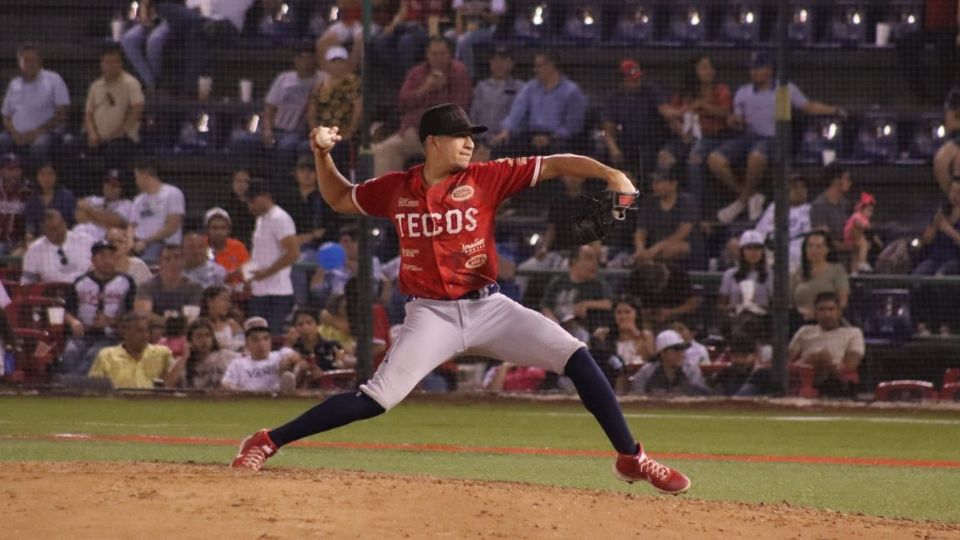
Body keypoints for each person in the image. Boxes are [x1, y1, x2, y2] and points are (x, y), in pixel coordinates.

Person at [231, 103, 691, 496]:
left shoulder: (487, 178)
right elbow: (339, 198)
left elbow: (554, 163)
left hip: (490, 307)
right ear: (432, 141)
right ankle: (267, 440)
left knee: (577, 356)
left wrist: (611, 173)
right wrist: (320, 154)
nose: (469, 144)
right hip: (431, 314)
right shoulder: (397, 188)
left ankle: (632, 458)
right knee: (376, 399)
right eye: (459, 136)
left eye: (471, 136)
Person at [708, 51, 845, 224]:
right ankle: (748, 195)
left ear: (769, 69)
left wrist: (834, 110)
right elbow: (737, 119)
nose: (754, 72)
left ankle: (741, 202)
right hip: (748, 136)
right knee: (715, 159)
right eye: (752, 69)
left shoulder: (784, 89)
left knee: (756, 156)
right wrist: (733, 120)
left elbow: (808, 106)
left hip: (773, 139)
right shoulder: (744, 92)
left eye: (758, 68)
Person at [373, 36, 471, 176]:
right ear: (427, 55)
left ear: (450, 54)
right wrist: (425, 89)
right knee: (384, 149)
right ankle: (389, 196)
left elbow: (460, 108)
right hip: (414, 133)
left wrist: (441, 90)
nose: (438, 58)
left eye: (442, 54)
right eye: (434, 54)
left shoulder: (458, 72)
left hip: (445, 136)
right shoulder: (417, 73)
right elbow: (402, 103)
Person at [231, 45, 322, 163]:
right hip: (275, 130)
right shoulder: (284, 78)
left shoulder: (321, 78)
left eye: (309, 58)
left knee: (287, 146)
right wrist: (267, 130)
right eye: (301, 57)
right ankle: (244, 177)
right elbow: (269, 108)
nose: (305, 62)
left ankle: (279, 180)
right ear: (296, 60)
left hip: (298, 133)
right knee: (238, 139)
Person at [61, 241, 137, 375]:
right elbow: (68, 310)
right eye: (102, 256)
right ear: (93, 260)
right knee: (70, 353)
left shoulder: (126, 282)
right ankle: (74, 387)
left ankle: (71, 387)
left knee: (94, 355)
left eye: (111, 256)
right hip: (83, 335)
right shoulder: (80, 282)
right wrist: (73, 322)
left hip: (112, 336)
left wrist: (110, 321)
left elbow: (132, 316)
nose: (108, 260)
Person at [491, 51, 587, 157]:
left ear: (551, 65)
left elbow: (573, 126)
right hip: (530, 135)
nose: (535, 70)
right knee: (501, 148)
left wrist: (551, 139)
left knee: (558, 150)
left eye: (538, 66)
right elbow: (517, 111)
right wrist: (506, 131)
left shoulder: (571, 91)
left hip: (558, 138)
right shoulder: (530, 87)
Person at [600, 59, 673, 176]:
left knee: (647, 158)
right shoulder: (614, 98)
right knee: (606, 155)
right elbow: (608, 130)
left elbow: (666, 112)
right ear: (622, 80)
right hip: (627, 142)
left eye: (638, 78)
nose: (636, 82)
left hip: (651, 141)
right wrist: (613, 148)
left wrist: (684, 110)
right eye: (632, 79)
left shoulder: (651, 91)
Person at [0, 44, 69, 164]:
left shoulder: (54, 79)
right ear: (19, 63)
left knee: (39, 147)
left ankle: (34, 182)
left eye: (34, 60)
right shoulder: (14, 84)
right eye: (26, 60)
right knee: (2, 141)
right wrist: (14, 133)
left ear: (40, 62)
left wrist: (37, 132)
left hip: (46, 133)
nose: (30, 64)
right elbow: (6, 116)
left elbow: (62, 114)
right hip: (17, 135)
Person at [246, 179, 299, 335]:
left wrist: (266, 273)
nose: (250, 206)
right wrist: (246, 276)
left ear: (265, 196)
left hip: (277, 293)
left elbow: (293, 253)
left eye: (253, 201)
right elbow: (260, 254)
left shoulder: (280, 218)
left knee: (272, 337)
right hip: (259, 291)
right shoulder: (260, 220)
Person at [83, 45, 145, 178]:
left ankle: (114, 192)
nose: (111, 66)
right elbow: (88, 113)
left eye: (115, 62)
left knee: (114, 150)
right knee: (70, 147)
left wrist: (120, 132)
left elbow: (137, 108)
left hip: (123, 138)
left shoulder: (131, 83)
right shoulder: (95, 86)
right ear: (102, 64)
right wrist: (93, 134)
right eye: (107, 62)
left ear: (121, 63)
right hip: (97, 138)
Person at [681, 55, 732, 212]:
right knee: (667, 156)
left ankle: (696, 210)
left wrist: (704, 105)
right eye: (704, 68)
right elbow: (680, 115)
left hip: (717, 137)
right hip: (691, 138)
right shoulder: (689, 93)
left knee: (694, 159)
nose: (709, 71)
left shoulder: (721, 90)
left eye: (710, 67)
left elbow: (726, 113)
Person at [789, 291, 863, 397]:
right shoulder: (805, 331)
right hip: (803, 373)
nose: (827, 314)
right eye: (822, 310)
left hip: (834, 377)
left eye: (831, 309)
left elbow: (851, 364)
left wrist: (825, 362)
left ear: (839, 312)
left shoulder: (853, 333)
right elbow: (787, 359)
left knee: (824, 358)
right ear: (815, 313)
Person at [87, 312, 178, 389]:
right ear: (125, 332)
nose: (145, 336)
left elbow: (176, 380)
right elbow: (93, 388)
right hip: (118, 405)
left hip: (151, 405)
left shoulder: (162, 353)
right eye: (139, 331)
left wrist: (185, 356)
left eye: (147, 331)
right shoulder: (106, 355)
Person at [305, 46, 362, 168]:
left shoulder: (354, 83)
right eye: (334, 62)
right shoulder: (320, 85)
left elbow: (358, 110)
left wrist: (349, 133)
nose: (337, 65)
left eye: (341, 61)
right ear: (327, 64)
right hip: (323, 133)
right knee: (303, 147)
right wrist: (316, 132)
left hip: (343, 135)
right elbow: (311, 112)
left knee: (335, 150)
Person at [468, 46, 523, 160]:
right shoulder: (481, 87)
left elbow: (520, 119)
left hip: (508, 144)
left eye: (503, 60)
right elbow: (473, 117)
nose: (499, 64)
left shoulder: (520, 88)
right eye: (495, 60)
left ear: (511, 63)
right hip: (480, 142)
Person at [540, 245, 613, 329]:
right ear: (574, 262)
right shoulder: (558, 282)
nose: (595, 263)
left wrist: (586, 304)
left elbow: (609, 304)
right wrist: (553, 322)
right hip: (557, 330)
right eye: (589, 258)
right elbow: (546, 306)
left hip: (583, 332)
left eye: (596, 259)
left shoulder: (598, 284)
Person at [221, 316, 301, 393]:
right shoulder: (238, 364)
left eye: (266, 338)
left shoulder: (280, 354)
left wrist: (287, 363)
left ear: (270, 340)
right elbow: (226, 385)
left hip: (277, 401)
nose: (261, 344)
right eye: (255, 340)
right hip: (249, 402)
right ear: (247, 343)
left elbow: (296, 358)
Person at [634, 165, 696, 264]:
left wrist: (657, 248)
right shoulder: (649, 202)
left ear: (673, 184)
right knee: (639, 256)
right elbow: (641, 231)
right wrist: (640, 249)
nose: (655, 186)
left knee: (676, 249)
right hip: (653, 249)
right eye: (654, 183)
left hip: (682, 245)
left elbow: (682, 233)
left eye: (659, 183)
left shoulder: (686, 202)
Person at [127, 159, 185, 264]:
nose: (136, 182)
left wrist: (145, 241)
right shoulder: (138, 200)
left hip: (164, 247)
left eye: (137, 177)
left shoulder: (173, 193)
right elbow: (132, 225)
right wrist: (130, 241)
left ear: (145, 175)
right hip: (139, 247)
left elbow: (172, 226)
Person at [718, 230, 772, 341]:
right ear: (742, 251)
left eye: (757, 248)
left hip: (763, 322)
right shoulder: (730, 274)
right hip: (735, 320)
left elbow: (777, 304)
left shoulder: (771, 275)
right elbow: (720, 305)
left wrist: (760, 307)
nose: (753, 252)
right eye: (749, 248)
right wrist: (732, 308)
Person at [20, 210, 95, 285]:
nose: (59, 231)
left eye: (61, 225)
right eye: (53, 229)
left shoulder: (85, 240)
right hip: (53, 293)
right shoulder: (34, 251)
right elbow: (27, 283)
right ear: (43, 229)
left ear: (65, 224)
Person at [135, 244, 204, 324]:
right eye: (167, 259)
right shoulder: (146, 287)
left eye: (177, 258)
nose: (173, 262)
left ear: (184, 261)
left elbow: (192, 317)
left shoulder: (195, 287)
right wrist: (171, 323)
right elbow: (144, 315)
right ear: (160, 262)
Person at [754, 173, 810, 271]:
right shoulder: (774, 207)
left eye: (803, 187)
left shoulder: (811, 209)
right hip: (772, 252)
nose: (799, 191)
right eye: (794, 187)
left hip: (797, 254)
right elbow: (759, 233)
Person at [629, 329, 711, 396]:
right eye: (675, 349)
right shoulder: (647, 371)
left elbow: (701, 397)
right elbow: (637, 396)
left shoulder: (691, 370)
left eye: (682, 349)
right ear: (662, 353)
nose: (681, 353)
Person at [789, 231, 849, 322]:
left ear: (827, 249)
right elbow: (789, 302)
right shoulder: (798, 272)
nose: (813, 250)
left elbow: (842, 302)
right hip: (799, 321)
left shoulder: (837, 271)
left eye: (818, 247)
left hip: (827, 322)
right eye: (810, 246)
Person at [285, 309, 349, 388]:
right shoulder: (293, 349)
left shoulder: (332, 346)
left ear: (317, 325)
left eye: (309, 323)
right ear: (295, 328)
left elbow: (342, 369)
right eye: (300, 324)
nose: (305, 327)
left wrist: (323, 374)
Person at [625, 261, 701, 327]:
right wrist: (643, 312)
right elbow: (627, 304)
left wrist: (670, 312)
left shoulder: (679, 275)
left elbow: (693, 304)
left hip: (676, 318)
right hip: (646, 319)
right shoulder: (636, 276)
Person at [170, 317, 240, 388]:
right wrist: (184, 357)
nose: (204, 340)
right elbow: (168, 386)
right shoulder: (182, 363)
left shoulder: (226, 356)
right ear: (190, 340)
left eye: (208, 335)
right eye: (199, 336)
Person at [915, 178, 960, 276]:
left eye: (958, 192)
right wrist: (934, 225)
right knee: (919, 274)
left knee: (942, 274)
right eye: (952, 191)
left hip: (955, 260)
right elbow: (926, 240)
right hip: (935, 258)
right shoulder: (942, 212)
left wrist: (949, 230)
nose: (954, 196)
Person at [451, 0, 507, 79]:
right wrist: (460, 32)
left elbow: (496, 20)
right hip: (467, 28)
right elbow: (458, 14)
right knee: (448, 36)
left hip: (488, 29)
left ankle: (468, 77)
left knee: (463, 42)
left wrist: (479, 14)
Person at [120, 0, 168, 90]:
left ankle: (158, 81)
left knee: (154, 40)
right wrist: (144, 12)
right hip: (150, 17)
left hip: (168, 18)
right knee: (128, 40)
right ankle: (150, 81)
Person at [24, 162, 75, 241]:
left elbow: (71, 224)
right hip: (39, 241)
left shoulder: (66, 196)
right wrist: (29, 242)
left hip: (63, 239)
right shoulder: (32, 200)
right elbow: (30, 228)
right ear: (37, 177)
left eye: (50, 174)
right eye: (42, 174)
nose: (46, 178)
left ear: (56, 177)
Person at [77, 170, 134, 240]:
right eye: (107, 182)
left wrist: (89, 211)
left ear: (121, 189)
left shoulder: (127, 204)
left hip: (103, 242)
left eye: (114, 185)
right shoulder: (95, 199)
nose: (110, 187)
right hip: (81, 236)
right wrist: (102, 218)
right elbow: (78, 214)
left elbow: (115, 222)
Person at [204, 207, 250, 289]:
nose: (219, 232)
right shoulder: (201, 247)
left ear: (229, 230)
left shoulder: (238, 247)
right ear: (207, 230)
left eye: (223, 228)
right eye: (215, 228)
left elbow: (249, 274)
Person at [810, 163, 853, 247]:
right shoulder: (819, 206)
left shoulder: (846, 204)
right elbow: (824, 241)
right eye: (847, 179)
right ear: (836, 181)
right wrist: (847, 247)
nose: (850, 182)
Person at [199, 285, 244, 351]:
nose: (228, 305)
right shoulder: (198, 324)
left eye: (228, 301)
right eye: (224, 300)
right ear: (209, 301)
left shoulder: (232, 324)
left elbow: (243, 345)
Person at [844, 192, 879, 275]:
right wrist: (864, 226)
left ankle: (854, 272)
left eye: (872, 211)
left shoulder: (865, 219)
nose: (870, 214)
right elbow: (856, 223)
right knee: (864, 244)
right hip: (850, 235)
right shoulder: (857, 215)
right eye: (868, 211)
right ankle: (862, 262)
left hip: (857, 237)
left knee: (856, 253)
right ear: (861, 209)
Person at [0, 153, 28, 255]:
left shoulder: (27, 192)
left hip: (20, 241)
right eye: (10, 169)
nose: (15, 172)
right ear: (1, 171)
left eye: (17, 168)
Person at [222, 168, 256, 245]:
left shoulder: (256, 206)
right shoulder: (224, 206)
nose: (242, 184)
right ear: (232, 183)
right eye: (238, 181)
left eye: (245, 181)